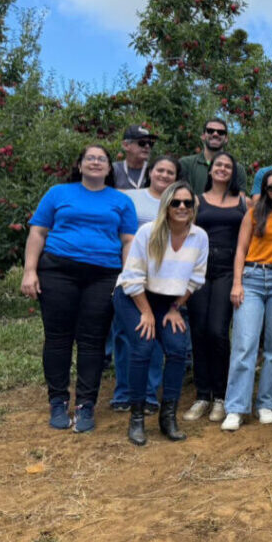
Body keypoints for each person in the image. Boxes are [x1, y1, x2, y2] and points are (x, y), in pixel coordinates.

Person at [22, 145, 139, 433]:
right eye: (91, 158)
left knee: (93, 342)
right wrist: (29, 271)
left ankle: (86, 404)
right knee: (58, 339)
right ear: (80, 165)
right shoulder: (58, 193)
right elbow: (37, 232)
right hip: (58, 271)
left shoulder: (121, 201)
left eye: (102, 159)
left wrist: (126, 278)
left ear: (110, 168)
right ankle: (58, 400)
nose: (96, 162)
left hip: (103, 276)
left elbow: (128, 241)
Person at [113, 181, 208, 445]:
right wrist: (146, 312)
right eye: (175, 202)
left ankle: (168, 418)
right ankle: (137, 419)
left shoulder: (199, 237)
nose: (181, 207)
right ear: (166, 205)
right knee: (143, 347)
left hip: (168, 302)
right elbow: (131, 278)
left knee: (178, 349)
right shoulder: (148, 232)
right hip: (134, 297)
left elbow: (195, 280)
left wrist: (176, 308)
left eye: (187, 203)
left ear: (193, 207)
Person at [223, 168, 272, 431]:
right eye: (271, 187)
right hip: (252, 278)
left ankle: (266, 403)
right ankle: (235, 407)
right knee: (245, 344)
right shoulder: (254, 213)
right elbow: (241, 250)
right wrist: (237, 283)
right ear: (265, 191)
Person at [111, 156, 181, 413]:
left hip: (162, 282)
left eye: (170, 172)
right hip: (130, 274)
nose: (164, 175)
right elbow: (121, 233)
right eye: (160, 170)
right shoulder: (130, 197)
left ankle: (149, 394)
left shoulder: (179, 203)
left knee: (150, 339)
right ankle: (123, 392)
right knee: (124, 337)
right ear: (150, 173)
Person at [183, 152, 247, 423]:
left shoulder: (243, 202)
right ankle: (202, 395)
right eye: (218, 165)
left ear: (233, 173)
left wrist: (238, 280)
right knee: (198, 331)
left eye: (228, 166)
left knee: (218, 331)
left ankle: (221, 396)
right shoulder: (196, 200)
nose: (223, 169)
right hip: (199, 270)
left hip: (226, 270)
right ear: (210, 170)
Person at [180, 118, 248, 195]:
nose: (215, 134)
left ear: (226, 139)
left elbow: (239, 201)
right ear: (203, 136)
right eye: (210, 131)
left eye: (221, 132)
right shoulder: (185, 164)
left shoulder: (237, 168)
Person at [113, 125, 158, 190]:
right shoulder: (114, 170)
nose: (147, 146)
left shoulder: (155, 171)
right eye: (142, 143)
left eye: (150, 143)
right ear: (126, 145)